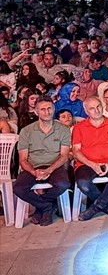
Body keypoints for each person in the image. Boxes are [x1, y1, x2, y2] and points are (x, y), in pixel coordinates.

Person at [13, 96, 72, 226]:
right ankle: (47, 207)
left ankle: (41, 208)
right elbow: (22, 159)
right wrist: (34, 172)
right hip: (32, 166)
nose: (47, 112)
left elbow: (64, 156)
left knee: (63, 184)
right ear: (36, 112)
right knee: (18, 188)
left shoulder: (63, 129)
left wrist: (49, 170)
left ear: (54, 109)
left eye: (49, 108)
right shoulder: (26, 131)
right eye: (43, 109)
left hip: (55, 165)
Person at [72, 95, 108, 221]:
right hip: (86, 164)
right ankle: (107, 205)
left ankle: (95, 208)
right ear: (87, 111)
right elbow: (76, 151)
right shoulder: (79, 127)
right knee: (83, 183)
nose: (96, 110)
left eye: (98, 106)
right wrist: (92, 164)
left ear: (102, 106)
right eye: (92, 108)